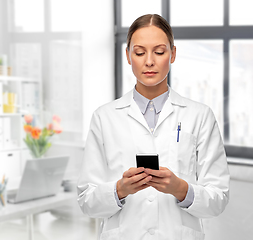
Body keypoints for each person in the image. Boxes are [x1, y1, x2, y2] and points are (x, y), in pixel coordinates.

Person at [77, 14, 229, 240]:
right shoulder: (104, 117)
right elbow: (87, 201)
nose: (149, 61)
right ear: (128, 56)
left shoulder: (200, 116)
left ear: (173, 54)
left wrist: (180, 189)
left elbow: (218, 199)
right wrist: (120, 189)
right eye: (139, 52)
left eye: (159, 52)